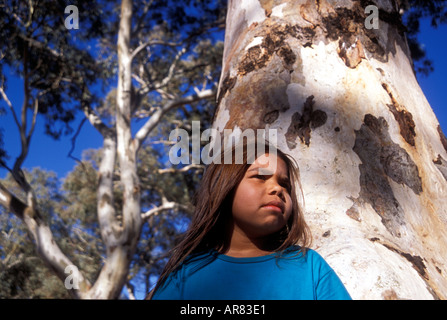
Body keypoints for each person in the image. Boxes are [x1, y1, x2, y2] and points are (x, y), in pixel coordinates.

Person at [148, 137, 351, 300]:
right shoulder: (186, 272)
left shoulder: (309, 267)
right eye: (260, 177)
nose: (277, 189)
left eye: (285, 185)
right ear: (224, 188)